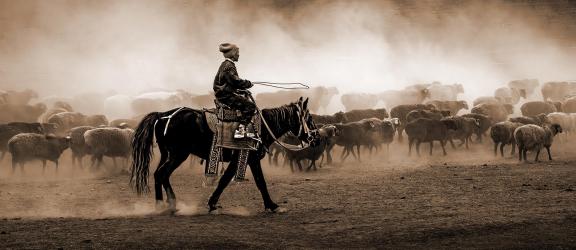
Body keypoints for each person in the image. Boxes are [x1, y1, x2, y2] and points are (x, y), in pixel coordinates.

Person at [213, 43, 257, 139]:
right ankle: (240, 132)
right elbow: (235, 81)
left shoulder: (225, 64)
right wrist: (248, 83)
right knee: (250, 106)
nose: (239, 55)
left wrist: (242, 90)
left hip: (223, 94)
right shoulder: (229, 66)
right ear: (232, 54)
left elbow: (230, 83)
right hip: (226, 96)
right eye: (237, 52)